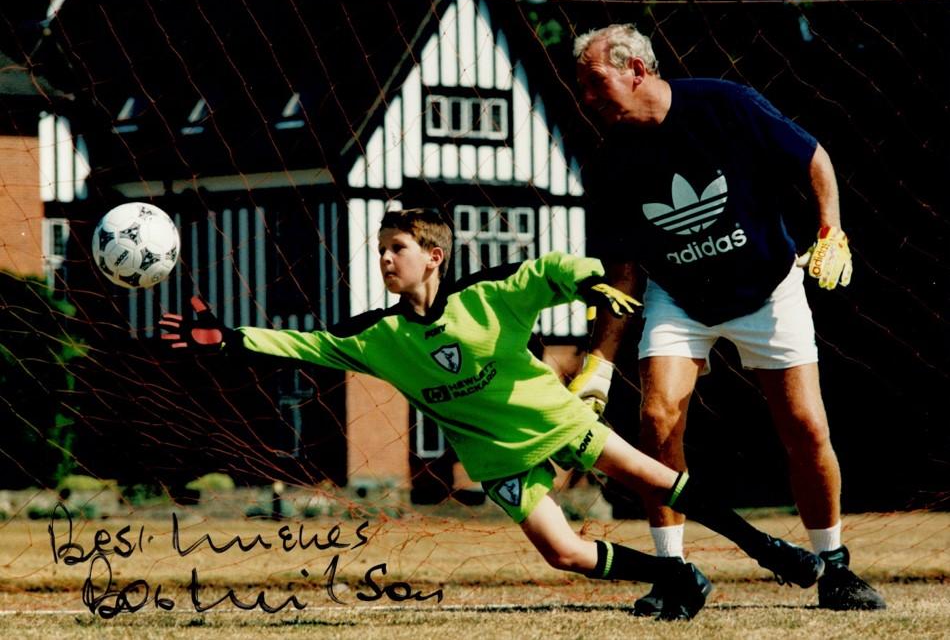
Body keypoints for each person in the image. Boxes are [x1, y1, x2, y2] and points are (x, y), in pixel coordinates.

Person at [159, 208, 825, 621]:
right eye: (381, 249)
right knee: (563, 553)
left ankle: (769, 550)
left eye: (397, 248)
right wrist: (227, 338)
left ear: (433, 256)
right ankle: (677, 575)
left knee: (658, 481)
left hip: (555, 420)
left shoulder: (486, 296)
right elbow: (305, 343)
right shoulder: (378, 338)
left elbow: (548, 271)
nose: (385, 259)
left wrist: (590, 280)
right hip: (496, 457)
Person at [572, 23, 886, 614]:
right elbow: (624, 273)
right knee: (656, 418)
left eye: (594, 82)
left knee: (805, 426)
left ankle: (836, 568)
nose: (586, 98)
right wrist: (598, 364)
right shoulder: (609, 163)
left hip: (769, 289)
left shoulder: (726, 104)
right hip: (680, 298)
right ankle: (673, 573)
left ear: (636, 70)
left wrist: (831, 230)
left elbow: (814, 157)